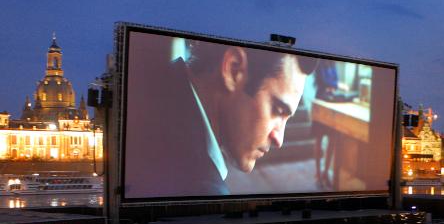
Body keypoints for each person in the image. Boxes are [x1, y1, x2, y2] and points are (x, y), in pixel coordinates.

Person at [125, 34, 317, 197]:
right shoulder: (201, 189)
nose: (279, 139)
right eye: (278, 110)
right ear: (234, 69)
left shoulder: (148, 85)